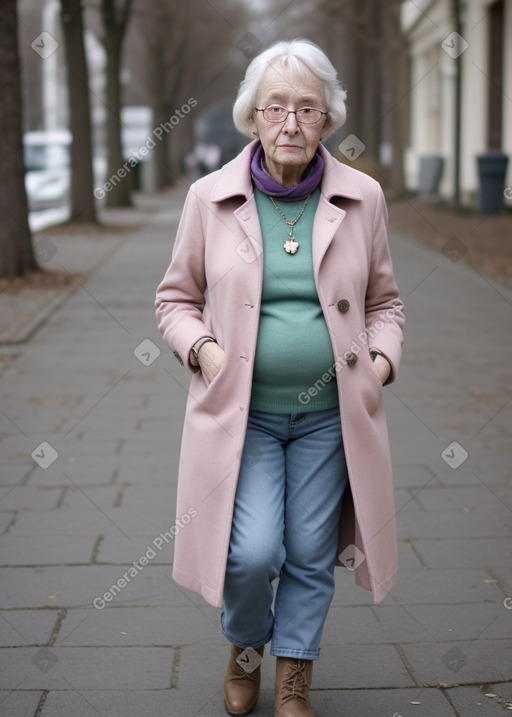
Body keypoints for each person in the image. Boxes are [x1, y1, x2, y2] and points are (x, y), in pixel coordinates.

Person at [155, 38, 405, 717]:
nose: (290, 123)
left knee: (308, 550)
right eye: (275, 107)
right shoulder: (210, 198)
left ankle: (294, 675)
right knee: (252, 551)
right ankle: (244, 646)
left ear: (327, 119)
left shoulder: (364, 197)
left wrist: (381, 362)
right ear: (251, 116)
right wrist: (203, 348)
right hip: (244, 415)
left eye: (307, 108)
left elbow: (385, 302)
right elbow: (174, 298)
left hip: (332, 417)